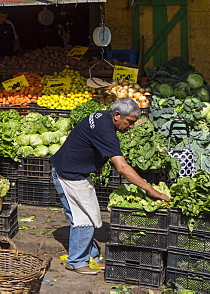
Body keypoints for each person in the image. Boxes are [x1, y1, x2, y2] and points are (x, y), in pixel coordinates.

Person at [51, 98, 170, 275]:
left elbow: (88, 141)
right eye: (129, 122)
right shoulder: (106, 130)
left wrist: (95, 163)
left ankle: (90, 256)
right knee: (83, 218)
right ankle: (76, 262)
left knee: (89, 216)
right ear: (117, 115)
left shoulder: (102, 117)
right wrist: (151, 190)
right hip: (69, 174)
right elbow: (122, 167)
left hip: (73, 169)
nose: (131, 126)